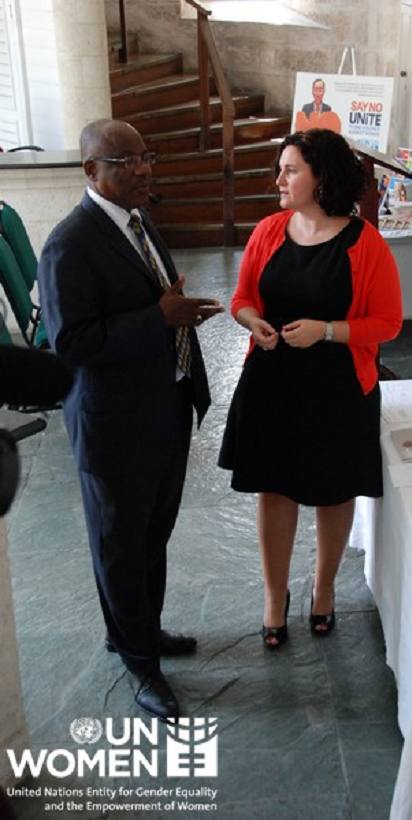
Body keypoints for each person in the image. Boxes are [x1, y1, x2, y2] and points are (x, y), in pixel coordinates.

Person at [38, 118, 224, 719]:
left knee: (151, 536)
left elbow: (151, 303)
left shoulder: (139, 221)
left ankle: (143, 632)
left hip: (163, 408)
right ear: (92, 171)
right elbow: (71, 343)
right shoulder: (70, 243)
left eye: (147, 156)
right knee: (119, 545)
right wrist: (161, 318)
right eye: (126, 161)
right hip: (114, 425)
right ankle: (140, 666)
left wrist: (172, 315)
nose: (143, 169)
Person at [218, 129, 402, 648]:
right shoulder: (269, 230)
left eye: (290, 169)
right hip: (273, 380)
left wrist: (326, 331)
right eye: (280, 169)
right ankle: (275, 597)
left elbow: (387, 322)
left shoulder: (364, 242)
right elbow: (242, 297)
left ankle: (323, 591)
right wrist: (251, 320)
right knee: (274, 489)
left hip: (338, 386)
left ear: (321, 178)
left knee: (332, 490)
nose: (278, 179)